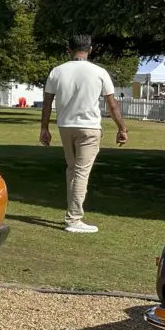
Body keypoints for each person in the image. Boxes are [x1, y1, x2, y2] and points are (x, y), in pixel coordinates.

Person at [40, 35, 128, 234]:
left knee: (73, 169)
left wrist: (44, 128)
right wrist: (122, 128)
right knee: (81, 171)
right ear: (90, 49)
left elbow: (47, 102)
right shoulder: (99, 72)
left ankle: (72, 214)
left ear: (68, 49)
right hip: (89, 127)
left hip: (65, 126)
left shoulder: (57, 71)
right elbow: (112, 104)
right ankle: (74, 218)